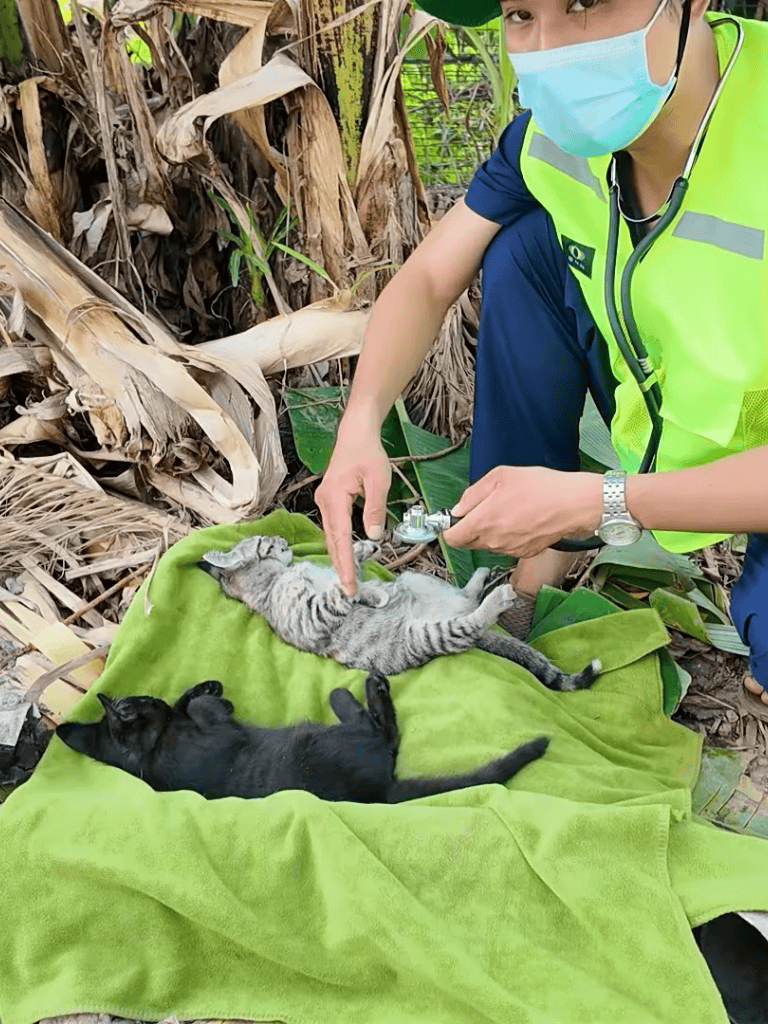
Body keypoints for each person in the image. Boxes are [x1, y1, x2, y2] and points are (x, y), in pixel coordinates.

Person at [315, 0, 768, 708]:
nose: (551, 47)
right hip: (668, 402)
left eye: (585, 3)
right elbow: (431, 277)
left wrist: (604, 499)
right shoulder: (547, 143)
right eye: (522, 14)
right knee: (525, 245)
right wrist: (360, 422)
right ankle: (532, 571)